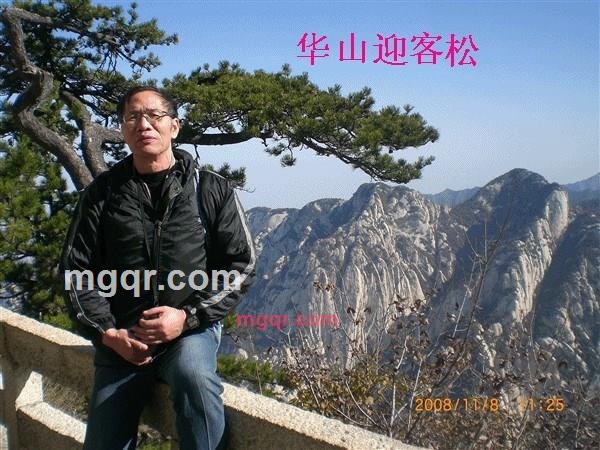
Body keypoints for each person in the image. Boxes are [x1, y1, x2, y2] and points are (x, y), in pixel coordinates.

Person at [60, 86, 256, 450]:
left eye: (154, 116)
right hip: (123, 335)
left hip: (188, 332)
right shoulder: (102, 194)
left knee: (195, 379)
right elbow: (77, 271)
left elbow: (241, 264)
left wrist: (187, 316)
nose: (144, 125)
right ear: (123, 129)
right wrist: (108, 333)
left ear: (174, 126)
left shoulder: (210, 189)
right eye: (133, 117)